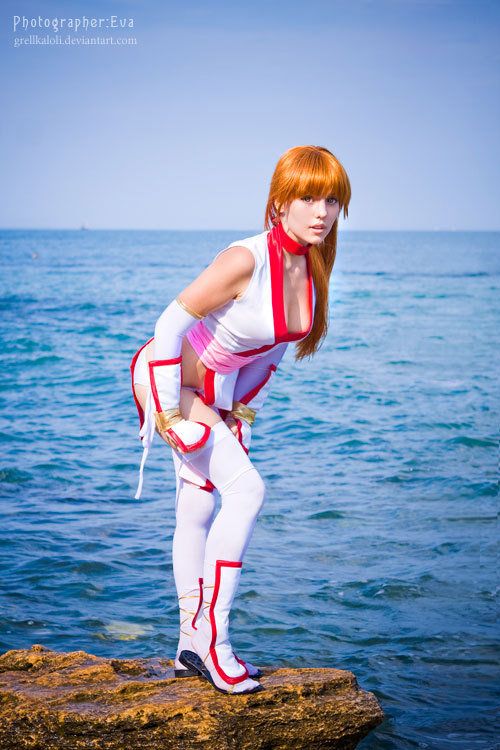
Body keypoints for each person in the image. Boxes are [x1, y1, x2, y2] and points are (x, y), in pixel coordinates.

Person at [130, 145, 351, 695]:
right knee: (247, 490)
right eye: (308, 197)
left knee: (199, 506)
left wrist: (237, 414)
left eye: (331, 199)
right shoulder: (244, 259)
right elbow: (168, 327)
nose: (321, 211)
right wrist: (169, 413)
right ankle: (213, 639)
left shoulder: (312, 264)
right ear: (280, 202)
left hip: (217, 392)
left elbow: (268, 352)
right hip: (169, 380)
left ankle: (188, 647)